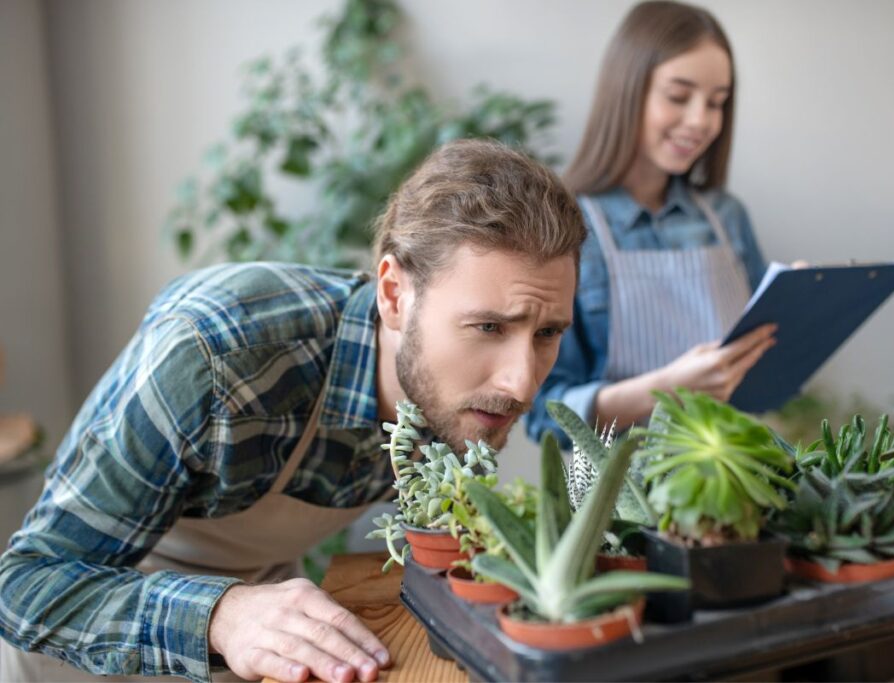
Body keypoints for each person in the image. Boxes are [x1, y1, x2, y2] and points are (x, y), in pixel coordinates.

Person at [0, 139, 585, 683]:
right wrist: (222, 616)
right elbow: (26, 586)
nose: (520, 381)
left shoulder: (458, 407)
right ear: (394, 295)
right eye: (487, 326)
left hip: (259, 633)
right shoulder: (217, 354)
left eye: (548, 332)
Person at [527, 0, 778, 444]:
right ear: (628, 91)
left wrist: (791, 314)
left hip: (737, 475)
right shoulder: (566, 226)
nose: (700, 121)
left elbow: (770, 381)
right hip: (624, 499)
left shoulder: (727, 218)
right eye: (679, 97)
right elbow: (542, 417)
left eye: (716, 103)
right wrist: (664, 390)